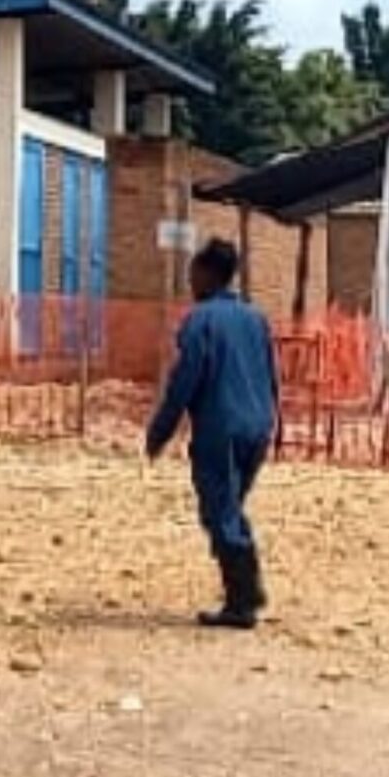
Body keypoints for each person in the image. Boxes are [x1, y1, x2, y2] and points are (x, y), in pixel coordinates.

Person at [145, 239, 279, 628]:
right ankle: (246, 590)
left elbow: (184, 382)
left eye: (193, 273)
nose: (190, 281)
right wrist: (273, 421)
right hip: (257, 426)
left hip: (220, 428)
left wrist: (161, 431)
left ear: (205, 274)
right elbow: (272, 375)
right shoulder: (255, 319)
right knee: (230, 508)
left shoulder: (200, 320)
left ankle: (243, 599)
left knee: (219, 511)